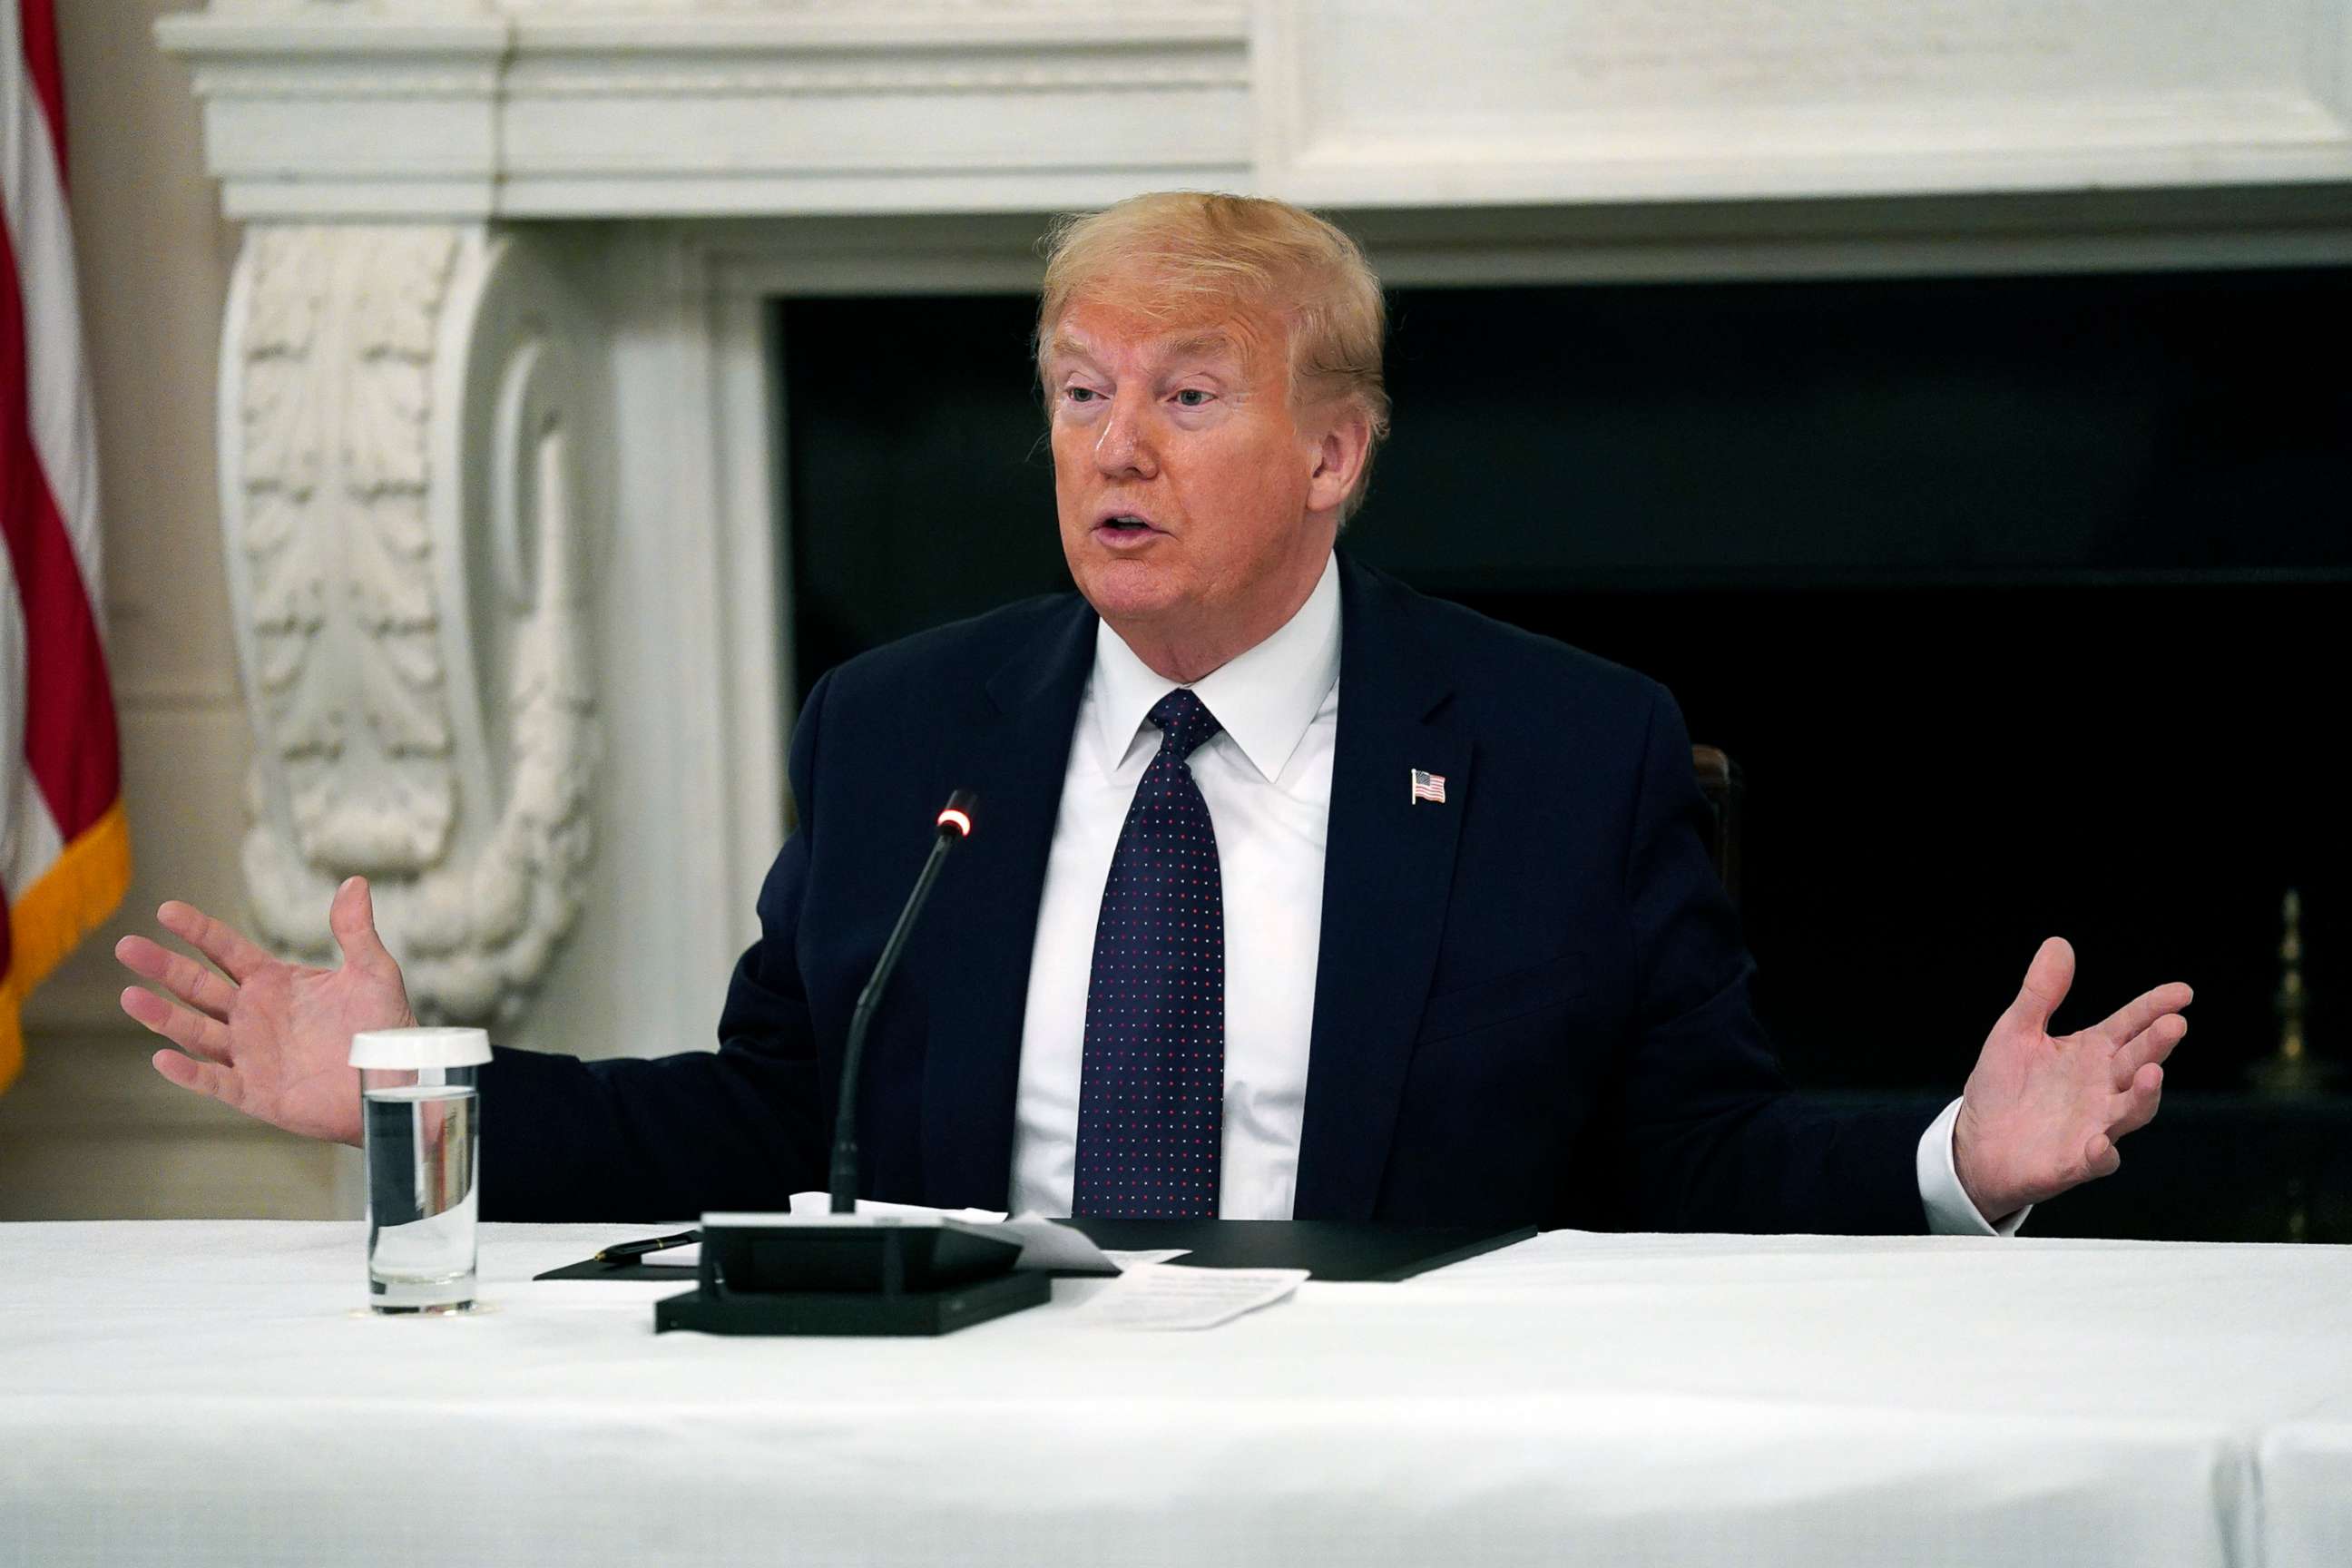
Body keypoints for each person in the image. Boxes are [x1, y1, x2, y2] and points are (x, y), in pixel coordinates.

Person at [115, 192, 2188, 1232]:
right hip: (963, 1470)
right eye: (1081, 391)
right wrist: (425, 1091)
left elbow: (1693, 1149)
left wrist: (1953, 1155)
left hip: (1396, 1484)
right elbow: (766, 1121)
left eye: (1189, 395)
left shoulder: (1569, 748)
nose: (1118, 444)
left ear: (1332, 453)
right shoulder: (901, 729)